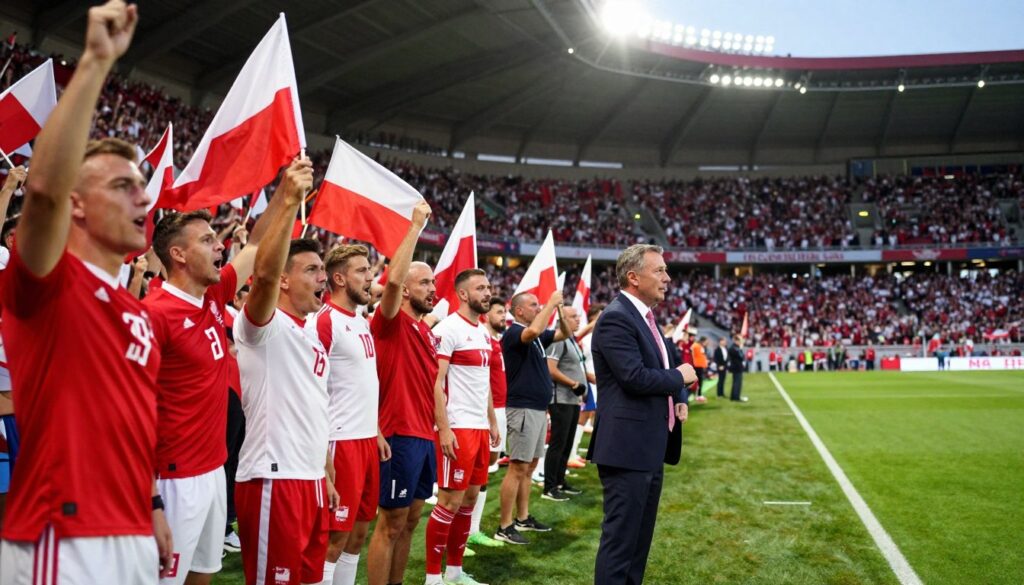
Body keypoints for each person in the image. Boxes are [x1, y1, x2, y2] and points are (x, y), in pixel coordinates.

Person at [145, 177, 291, 584]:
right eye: (208, 240)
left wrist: (287, 194)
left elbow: (256, 247)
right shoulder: (154, 314)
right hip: (172, 478)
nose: (220, 246)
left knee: (203, 574)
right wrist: (150, 494)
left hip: (213, 469)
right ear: (178, 255)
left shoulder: (210, 296)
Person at [232, 154, 339, 585]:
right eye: (312, 270)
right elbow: (261, 275)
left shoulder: (312, 332)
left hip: (311, 479)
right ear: (285, 280)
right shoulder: (262, 326)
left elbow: (316, 409)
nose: (323, 279)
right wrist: (292, 201)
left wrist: (325, 474)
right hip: (272, 479)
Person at [588, 244, 696, 585]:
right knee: (620, 544)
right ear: (634, 277)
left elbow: (662, 365)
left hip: (648, 447)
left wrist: (678, 394)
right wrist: (681, 377)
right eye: (659, 270)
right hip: (626, 449)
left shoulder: (646, 318)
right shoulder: (617, 317)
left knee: (638, 545)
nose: (667, 278)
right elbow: (633, 377)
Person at [365, 202, 436, 585]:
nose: (433, 288)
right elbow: (390, 283)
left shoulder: (425, 330)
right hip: (398, 434)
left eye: (434, 283)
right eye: (425, 282)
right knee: (390, 523)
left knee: (410, 521)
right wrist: (415, 227)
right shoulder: (389, 322)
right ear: (406, 287)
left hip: (424, 437)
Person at [315, 244, 391, 585]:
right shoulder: (324, 321)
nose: (370, 276)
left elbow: (362, 382)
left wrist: (374, 429)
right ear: (339, 277)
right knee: (335, 537)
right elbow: (313, 388)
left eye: (368, 270)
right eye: (361, 271)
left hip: (365, 441)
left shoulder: (360, 320)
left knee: (359, 534)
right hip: (340, 442)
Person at [424, 269, 501, 585]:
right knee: (449, 501)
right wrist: (444, 428)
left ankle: (454, 572)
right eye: (480, 288)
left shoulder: (482, 331)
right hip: (458, 427)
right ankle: (432, 577)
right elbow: (435, 382)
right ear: (463, 294)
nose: (488, 292)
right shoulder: (448, 329)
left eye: (488, 286)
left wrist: (492, 420)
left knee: (469, 500)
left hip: (480, 428)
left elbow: (483, 383)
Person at [493, 290, 570, 546]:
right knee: (517, 467)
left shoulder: (535, 336)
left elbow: (565, 333)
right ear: (519, 311)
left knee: (529, 467)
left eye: (539, 305)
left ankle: (523, 517)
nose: (538, 309)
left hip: (536, 408)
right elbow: (534, 332)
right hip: (523, 408)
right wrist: (550, 303)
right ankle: (504, 525)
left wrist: (558, 308)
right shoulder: (515, 332)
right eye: (533, 305)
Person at [466, 298, 510, 547]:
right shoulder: (481, 336)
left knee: (486, 469)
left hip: (499, 409)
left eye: (504, 311)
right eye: (499, 312)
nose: (504, 316)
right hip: (483, 410)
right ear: (486, 315)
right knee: (476, 472)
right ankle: (466, 531)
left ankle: (473, 528)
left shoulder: (495, 340)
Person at [543, 305, 588, 501]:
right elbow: (550, 368)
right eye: (573, 317)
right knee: (558, 443)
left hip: (571, 398)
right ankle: (550, 486)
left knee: (567, 443)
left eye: (577, 316)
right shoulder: (558, 340)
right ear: (563, 319)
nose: (578, 319)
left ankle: (560, 481)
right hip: (560, 397)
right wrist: (573, 383)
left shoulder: (570, 340)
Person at [569, 303, 603, 469]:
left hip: (594, 380)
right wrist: (588, 376)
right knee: (581, 416)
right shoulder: (586, 338)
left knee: (587, 414)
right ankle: (570, 454)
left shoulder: (597, 335)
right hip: (587, 380)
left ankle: (573, 453)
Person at [728, 336, 748, 403]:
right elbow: (741, 356)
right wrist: (741, 349)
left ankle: (733, 396)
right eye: (739, 341)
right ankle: (736, 397)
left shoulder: (733, 348)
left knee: (735, 382)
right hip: (737, 367)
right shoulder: (735, 348)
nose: (740, 343)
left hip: (735, 367)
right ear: (736, 341)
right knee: (737, 383)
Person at [690, 331, 708, 404]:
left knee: (700, 380)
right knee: (698, 380)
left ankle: (698, 394)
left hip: (699, 365)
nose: (707, 343)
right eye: (706, 341)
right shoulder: (696, 346)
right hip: (697, 365)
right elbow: (696, 356)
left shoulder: (699, 346)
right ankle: (698, 395)